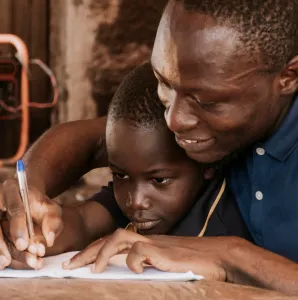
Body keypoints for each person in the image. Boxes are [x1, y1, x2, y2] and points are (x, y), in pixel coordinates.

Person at [1, 0, 298, 298]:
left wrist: (231, 257)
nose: (174, 119)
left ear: (288, 77)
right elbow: (94, 139)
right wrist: (28, 197)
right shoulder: (204, 86)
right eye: (163, 83)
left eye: (207, 102)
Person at [0, 62, 252, 269]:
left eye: (159, 180)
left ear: (206, 161)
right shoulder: (137, 193)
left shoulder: (231, 213)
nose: (135, 200)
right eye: (119, 174)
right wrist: (29, 238)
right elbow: (81, 222)